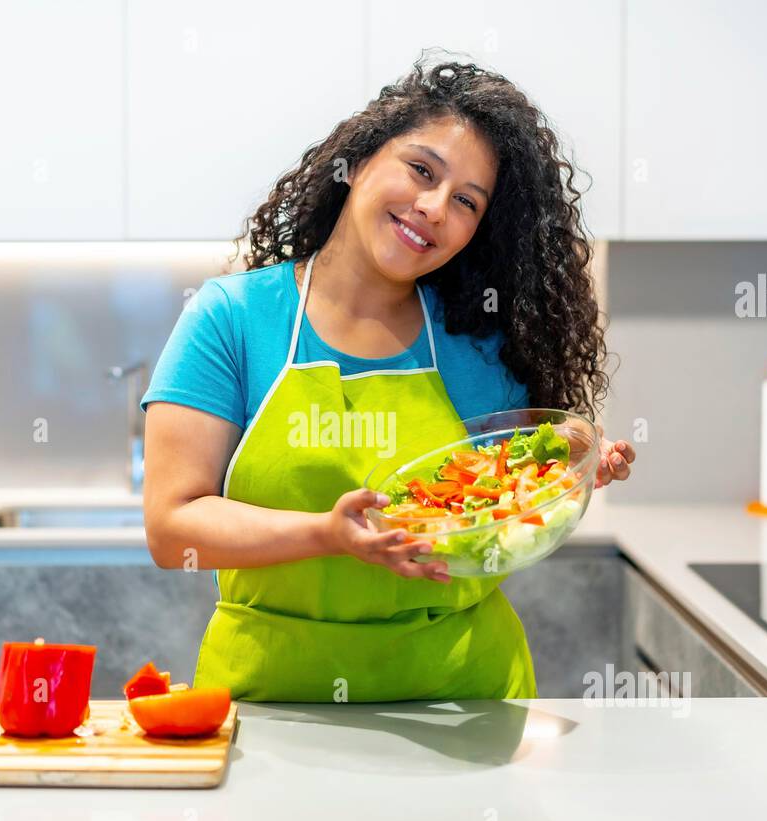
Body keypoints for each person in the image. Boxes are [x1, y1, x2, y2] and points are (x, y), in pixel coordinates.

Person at [141, 59, 636, 702]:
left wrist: (569, 462)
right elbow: (172, 526)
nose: (433, 207)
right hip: (276, 704)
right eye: (421, 170)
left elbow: (501, 499)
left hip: (462, 701)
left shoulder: (481, 339)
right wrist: (327, 535)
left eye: (466, 201)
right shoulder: (232, 319)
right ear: (360, 161)